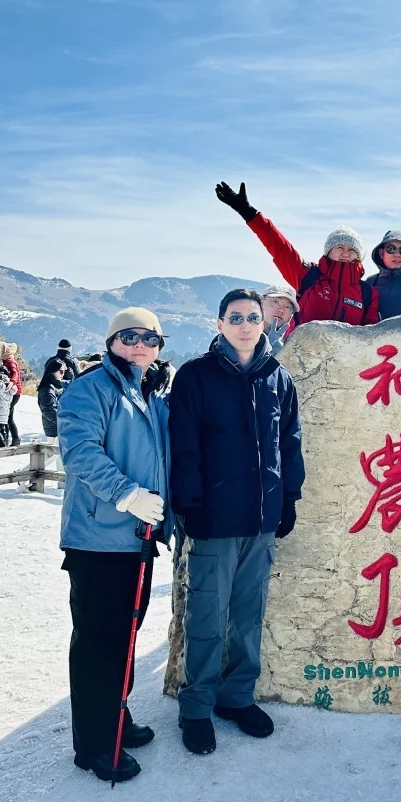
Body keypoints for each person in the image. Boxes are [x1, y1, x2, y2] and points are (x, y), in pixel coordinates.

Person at [169, 288, 305, 757]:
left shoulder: (277, 378)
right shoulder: (195, 377)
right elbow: (183, 448)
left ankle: (237, 697)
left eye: (252, 316)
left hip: (262, 518)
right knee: (207, 615)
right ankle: (196, 706)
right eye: (235, 317)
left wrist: (289, 498)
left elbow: (290, 442)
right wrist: (190, 505)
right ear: (220, 323)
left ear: (263, 322)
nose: (245, 324)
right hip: (214, 518)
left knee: (249, 614)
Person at [56, 308, 173, 783]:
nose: (140, 344)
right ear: (111, 342)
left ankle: (116, 715)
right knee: (100, 643)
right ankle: (96, 743)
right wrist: (128, 494)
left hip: (137, 538)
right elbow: (80, 451)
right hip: (99, 538)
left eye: (150, 337)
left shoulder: (149, 393)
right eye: (129, 336)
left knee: (125, 635)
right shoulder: (91, 389)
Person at [215, 180, 380, 325]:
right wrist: (249, 213)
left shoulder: (367, 293)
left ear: (358, 257)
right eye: (339, 248)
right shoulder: (308, 275)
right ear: (328, 252)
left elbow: (370, 334)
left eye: (352, 250)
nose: (345, 253)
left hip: (345, 360)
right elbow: (279, 247)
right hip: (301, 358)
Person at [0, 342, 23, 446]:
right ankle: (11, 439)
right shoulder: (5, 361)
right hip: (10, 392)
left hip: (14, 393)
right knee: (7, 416)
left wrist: (11, 382)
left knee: (6, 416)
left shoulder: (10, 362)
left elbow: (15, 373)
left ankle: (10, 439)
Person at [260, 283, 300, 351]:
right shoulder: (242, 330)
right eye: (275, 302)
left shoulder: (293, 347)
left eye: (288, 307)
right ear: (260, 302)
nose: (281, 310)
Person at [37, 357, 66, 438]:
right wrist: (64, 423)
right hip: (54, 431)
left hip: (56, 429)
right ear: (53, 371)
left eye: (64, 372)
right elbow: (47, 409)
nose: (63, 374)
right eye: (61, 372)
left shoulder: (55, 386)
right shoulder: (48, 388)